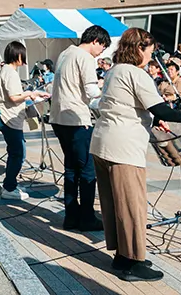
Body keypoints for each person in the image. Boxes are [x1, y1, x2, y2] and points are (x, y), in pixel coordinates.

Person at [89, 28, 181, 282]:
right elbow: (160, 107)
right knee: (132, 206)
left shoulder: (114, 70)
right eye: (149, 51)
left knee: (114, 204)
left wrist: (154, 118)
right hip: (123, 148)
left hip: (103, 143)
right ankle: (133, 263)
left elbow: (131, 103)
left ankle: (122, 255)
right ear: (139, 48)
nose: (151, 56)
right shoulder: (137, 73)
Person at [50, 25, 111, 232]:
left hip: (58, 117)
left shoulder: (65, 53)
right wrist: (107, 89)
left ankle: (71, 216)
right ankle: (86, 217)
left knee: (70, 168)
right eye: (102, 47)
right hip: (77, 119)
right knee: (86, 170)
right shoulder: (85, 58)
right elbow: (91, 90)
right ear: (95, 41)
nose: (101, 52)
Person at [0, 40, 48, 201]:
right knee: (18, 153)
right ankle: (9, 187)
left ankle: (10, 183)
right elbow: (14, 97)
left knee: (15, 152)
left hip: (7, 117)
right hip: (9, 117)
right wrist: (31, 94)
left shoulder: (6, 70)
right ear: (17, 55)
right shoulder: (10, 72)